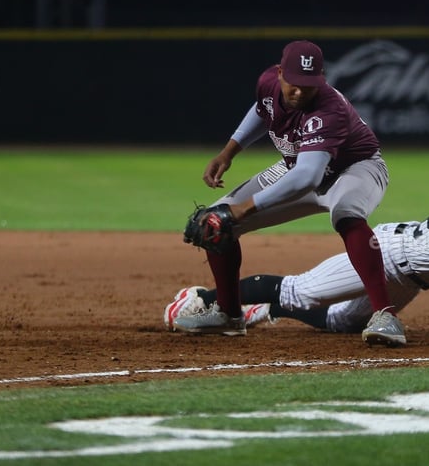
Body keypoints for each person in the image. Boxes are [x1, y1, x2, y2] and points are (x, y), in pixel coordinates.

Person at [167, 160, 429, 341]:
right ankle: (202, 299)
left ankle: (266, 310)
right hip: (389, 254)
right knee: (301, 291)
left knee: (343, 324)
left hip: (411, 277)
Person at [173, 40, 404, 346]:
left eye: (308, 85)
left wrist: (243, 209)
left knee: (346, 214)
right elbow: (262, 110)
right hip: (299, 166)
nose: (299, 92)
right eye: (293, 84)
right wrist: (229, 152)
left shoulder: (329, 108)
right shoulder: (268, 83)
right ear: (280, 73)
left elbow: (308, 178)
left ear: (321, 78)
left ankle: (386, 315)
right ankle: (229, 315)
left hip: (355, 168)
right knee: (215, 221)